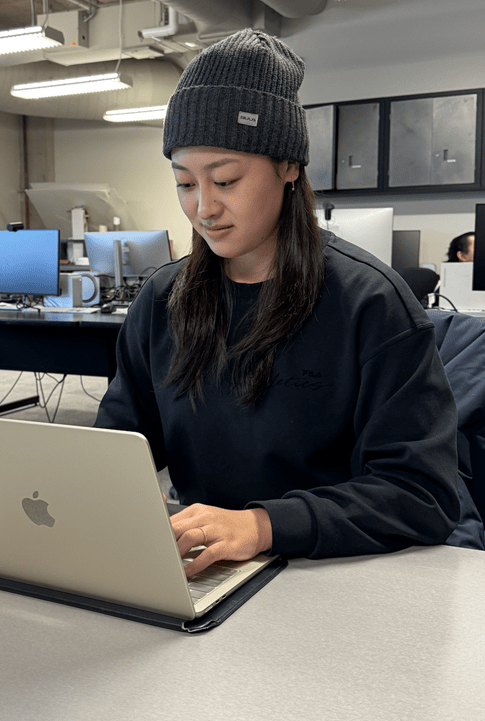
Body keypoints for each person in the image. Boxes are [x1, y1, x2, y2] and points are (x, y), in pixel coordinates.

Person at [94, 29, 461, 577]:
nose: (203, 208)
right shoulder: (163, 300)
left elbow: (421, 494)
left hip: (330, 572)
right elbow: (118, 448)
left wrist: (261, 525)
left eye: (225, 179)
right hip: (205, 570)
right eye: (184, 184)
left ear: (289, 167)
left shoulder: (372, 304)